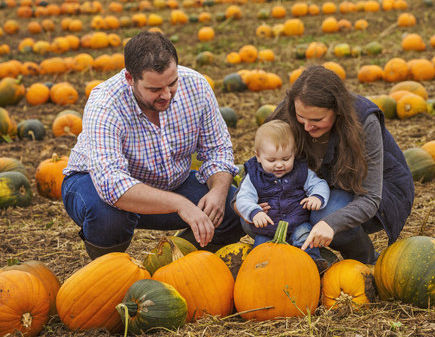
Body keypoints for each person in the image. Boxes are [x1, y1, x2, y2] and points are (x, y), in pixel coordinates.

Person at [61, 31, 244, 259]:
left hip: (170, 183)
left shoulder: (196, 86)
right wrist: (180, 204)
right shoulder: (105, 104)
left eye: (172, 83)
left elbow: (218, 149)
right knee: (108, 217)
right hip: (93, 185)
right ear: (130, 79)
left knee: (235, 206)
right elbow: (110, 184)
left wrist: (218, 191)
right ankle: (110, 269)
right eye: (154, 89)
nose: (166, 95)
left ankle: (175, 263)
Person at [261, 64, 415, 264]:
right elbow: (260, 163)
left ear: (338, 110)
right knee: (260, 219)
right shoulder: (287, 113)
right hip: (317, 185)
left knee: (326, 215)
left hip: (370, 191)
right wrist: (243, 202)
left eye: (317, 119)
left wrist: (331, 224)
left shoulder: (364, 121)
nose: (306, 126)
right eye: (301, 117)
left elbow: (369, 198)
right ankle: (318, 261)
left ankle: (365, 259)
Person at [235, 120, 330, 268]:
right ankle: (264, 276)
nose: (279, 164)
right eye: (271, 160)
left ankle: (312, 266)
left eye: (286, 159)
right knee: (260, 254)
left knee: (305, 238)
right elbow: (243, 197)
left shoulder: (300, 171)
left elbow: (318, 184)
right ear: (258, 156)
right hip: (267, 229)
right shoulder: (253, 177)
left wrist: (317, 197)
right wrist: (254, 212)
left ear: (294, 153)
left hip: (298, 222)